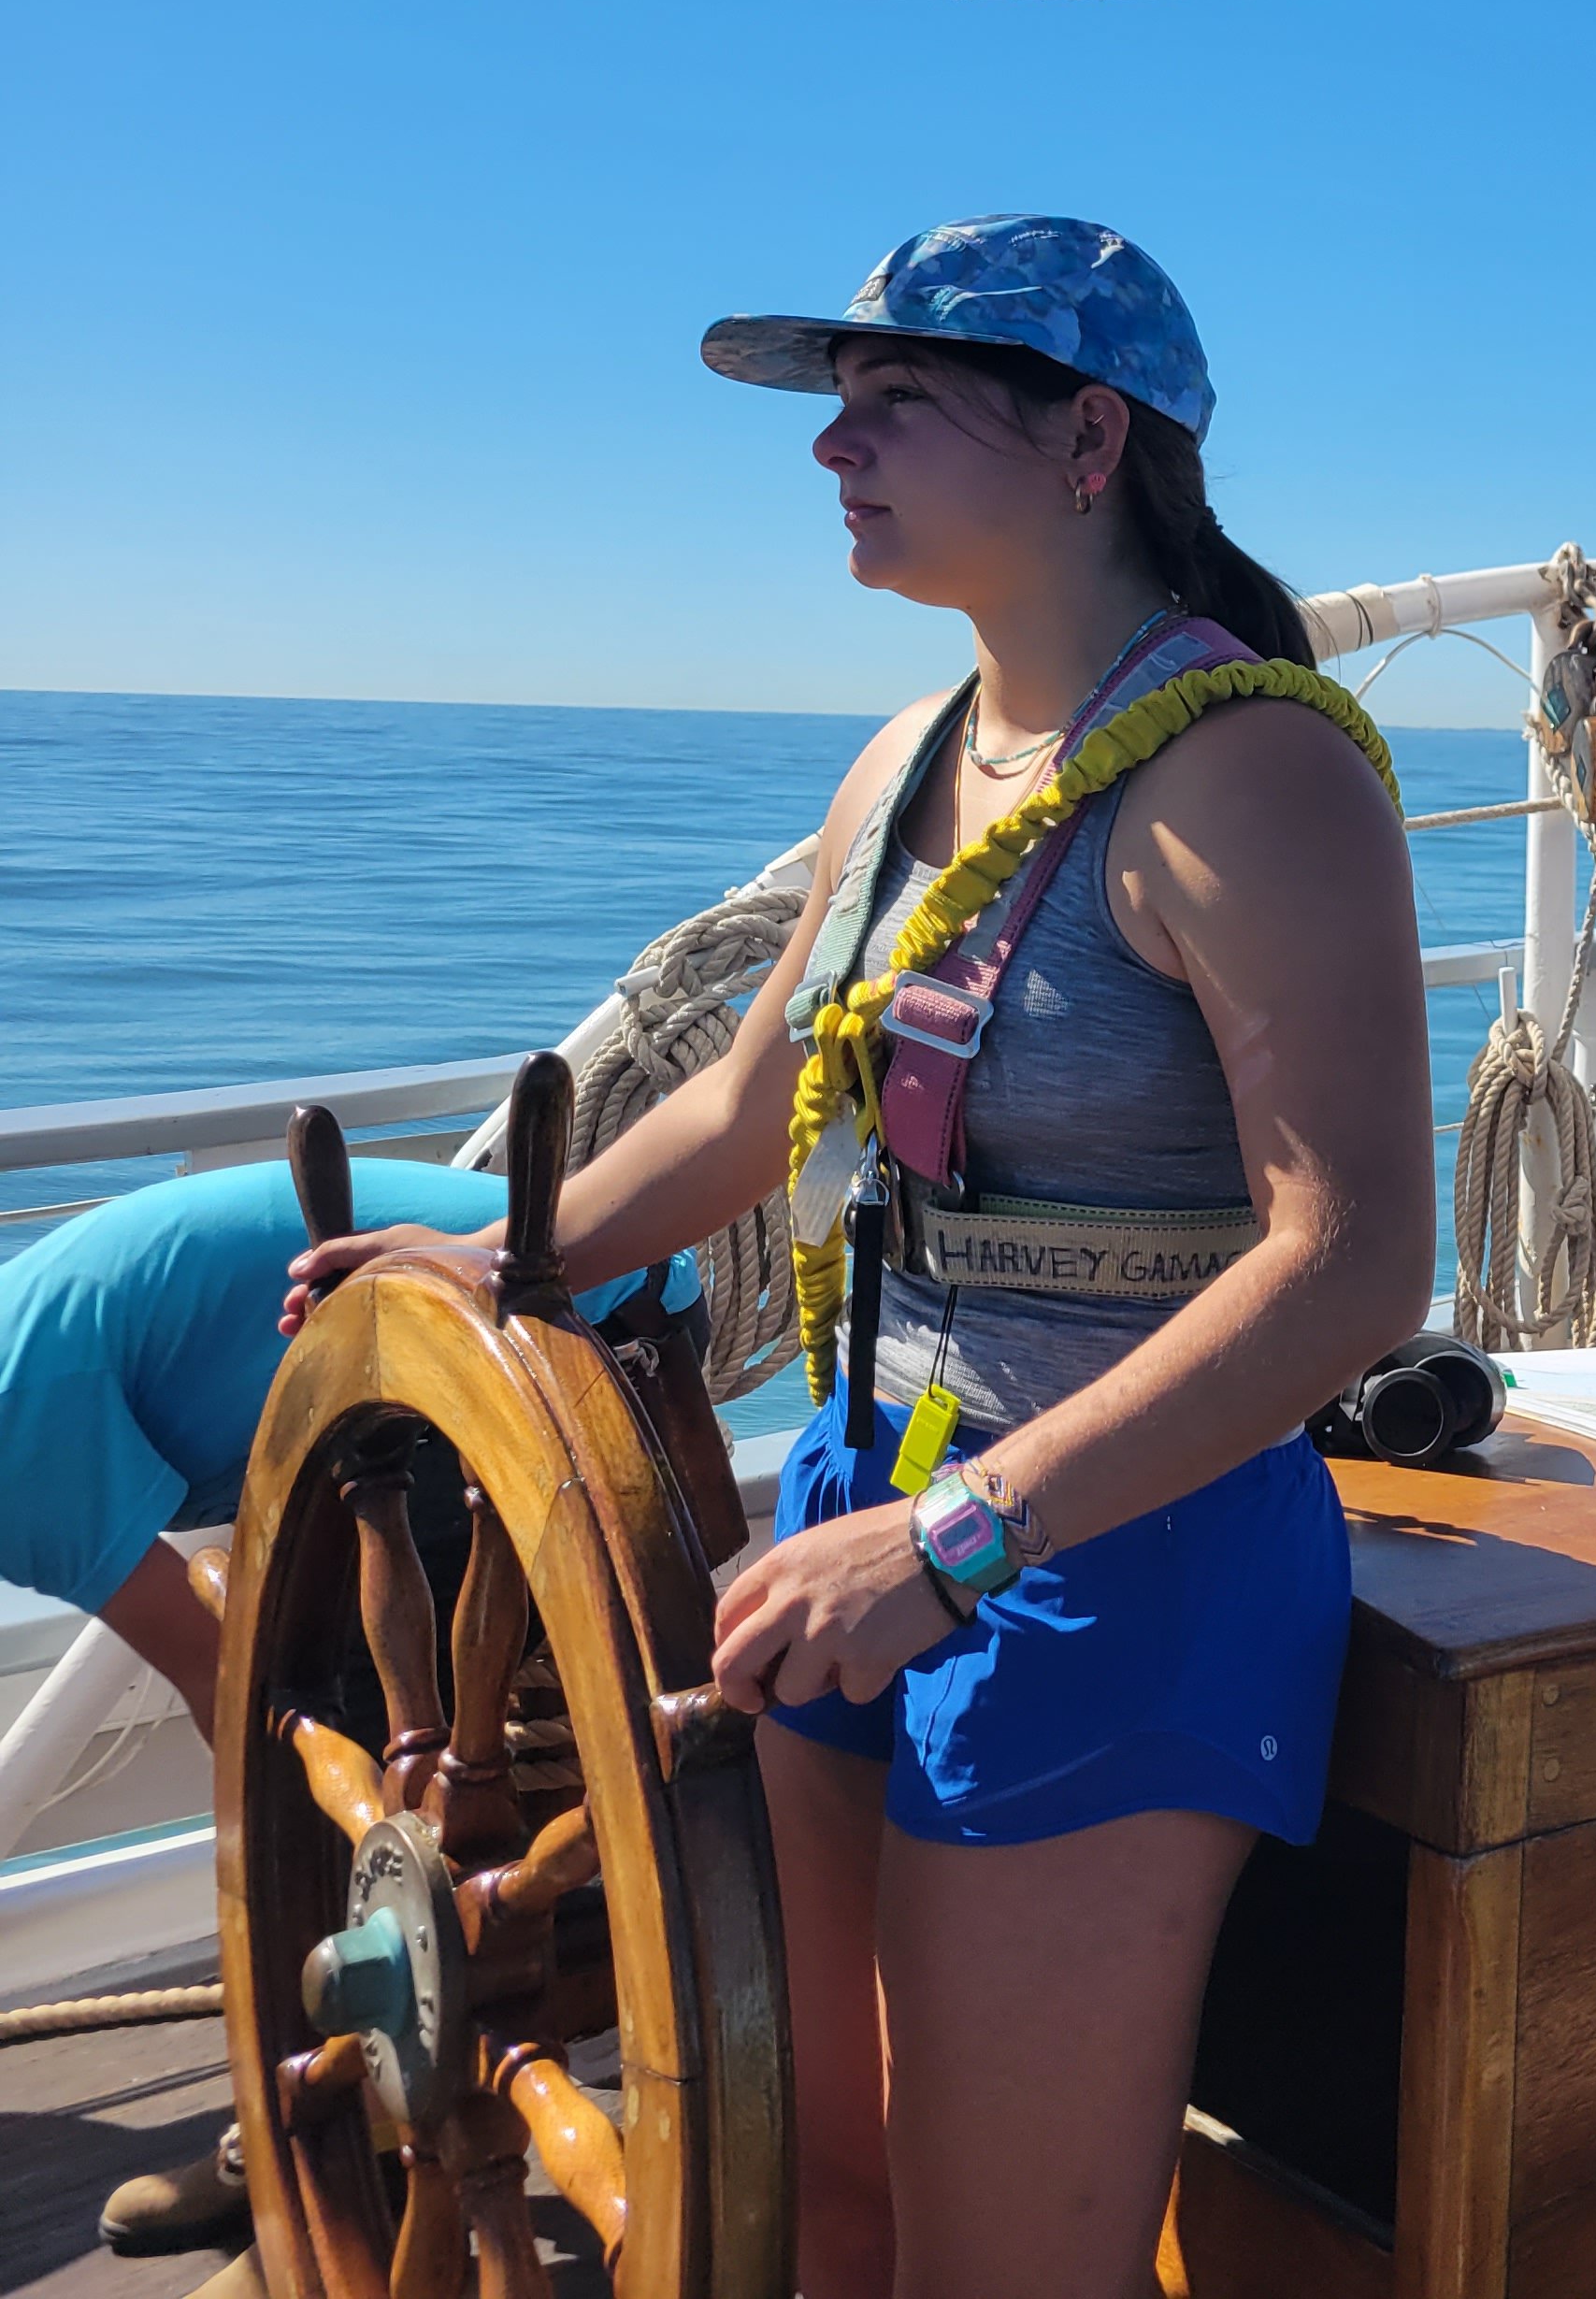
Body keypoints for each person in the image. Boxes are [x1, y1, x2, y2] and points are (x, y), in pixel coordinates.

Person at [288, 215, 1434, 2297]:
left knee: (1002, 2266)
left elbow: (1354, 1268)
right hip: (861, 1503)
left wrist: (955, 1543)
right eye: (837, 408)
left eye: (895, 401)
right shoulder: (908, 760)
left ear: (1092, 439)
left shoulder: (1251, 777)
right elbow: (749, 1106)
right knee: (812, 2203)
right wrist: (507, 1258)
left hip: (1105, 1563)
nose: (836, 450)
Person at [0, 1158, 697, 2258]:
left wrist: (302, 1906)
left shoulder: (11, 1441)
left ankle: (334, 2130)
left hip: (549, 1318)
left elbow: (230, 1684)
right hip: (538, 1296)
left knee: (339, 1735)